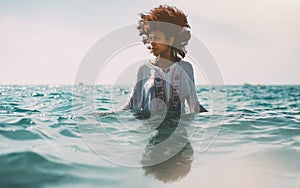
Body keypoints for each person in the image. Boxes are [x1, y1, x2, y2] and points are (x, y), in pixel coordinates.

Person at [124, 5, 207, 115]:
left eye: (157, 38)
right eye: (151, 38)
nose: (152, 42)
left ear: (170, 40)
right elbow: (132, 105)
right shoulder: (144, 69)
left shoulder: (186, 68)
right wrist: (108, 115)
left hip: (181, 130)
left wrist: (223, 117)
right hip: (151, 129)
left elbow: (194, 106)